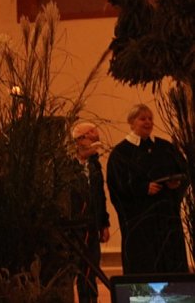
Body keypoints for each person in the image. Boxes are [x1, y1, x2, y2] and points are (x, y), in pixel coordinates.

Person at [106, 104, 189, 274]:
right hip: (139, 220)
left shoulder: (165, 147)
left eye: (150, 119)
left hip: (166, 217)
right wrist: (143, 188)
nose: (148, 122)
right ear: (131, 122)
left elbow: (184, 171)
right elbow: (117, 185)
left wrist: (176, 184)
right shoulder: (121, 153)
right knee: (144, 262)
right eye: (142, 119)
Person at [70, 121, 110, 303]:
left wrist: (104, 224)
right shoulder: (68, 166)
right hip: (75, 227)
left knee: (92, 267)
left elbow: (100, 196)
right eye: (91, 133)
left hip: (93, 225)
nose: (96, 136)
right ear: (80, 140)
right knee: (79, 268)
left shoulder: (95, 166)